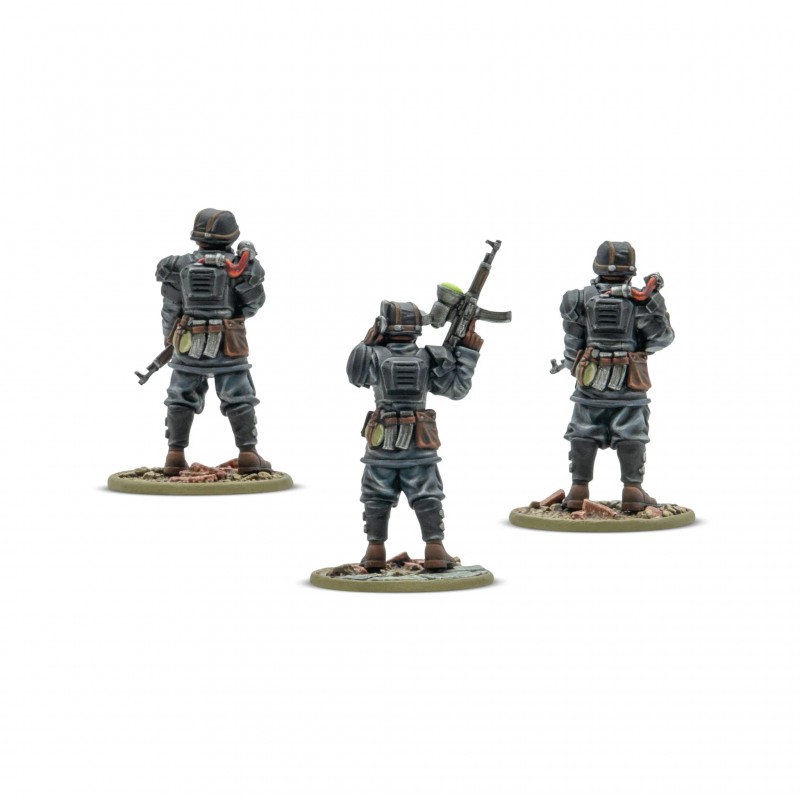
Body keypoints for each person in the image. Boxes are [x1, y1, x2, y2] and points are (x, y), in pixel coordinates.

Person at [346, 301, 483, 570]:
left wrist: (366, 342)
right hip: (419, 445)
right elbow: (457, 390)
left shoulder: (372, 356)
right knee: (427, 493)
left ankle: (375, 550)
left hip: (381, 444)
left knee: (376, 494)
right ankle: (435, 547)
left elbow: (355, 375)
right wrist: (467, 352)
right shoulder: (431, 357)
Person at [155, 208, 271, 475]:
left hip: (186, 343)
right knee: (239, 396)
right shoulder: (242, 268)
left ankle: (174, 454)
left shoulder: (177, 266)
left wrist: (170, 339)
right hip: (229, 344)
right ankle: (248, 453)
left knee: (180, 395)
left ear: (196, 237)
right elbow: (253, 305)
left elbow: (170, 308)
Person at [560, 241, 674, 511]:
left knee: (583, 429)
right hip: (630, 384)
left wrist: (576, 368)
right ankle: (633, 490)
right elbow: (662, 339)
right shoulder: (641, 303)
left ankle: (578, 488)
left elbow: (572, 343)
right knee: (632, 430)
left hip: (589, 383)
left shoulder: (578, 299)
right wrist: (654, 303)